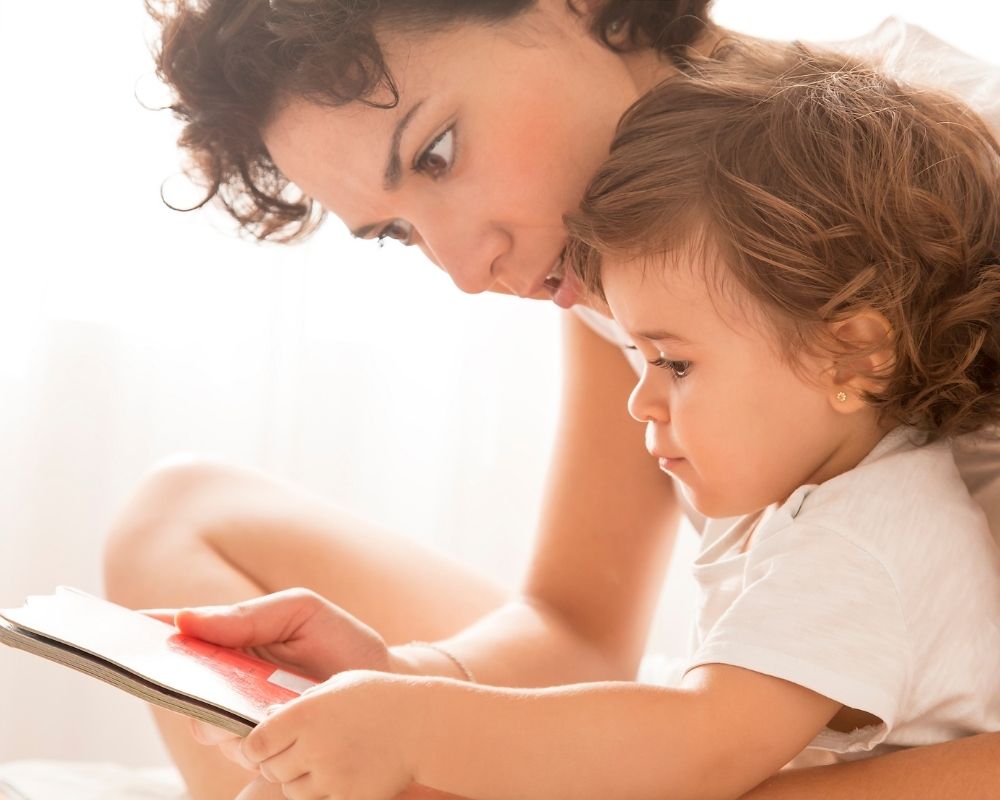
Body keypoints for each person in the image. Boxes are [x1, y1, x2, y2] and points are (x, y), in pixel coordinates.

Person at [104, 2, 1000, 798]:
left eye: (439, 152)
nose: (464, 268)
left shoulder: (936, 175)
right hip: (774, 702)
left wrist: (678, 775)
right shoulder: (622, 245)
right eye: (396, 234)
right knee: (181, 517)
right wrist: (399, 678)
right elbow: (575, 628)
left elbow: (706, 744)